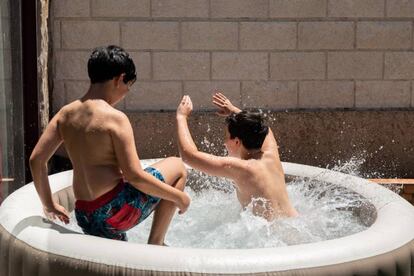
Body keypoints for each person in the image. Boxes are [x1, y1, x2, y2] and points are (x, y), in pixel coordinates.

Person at [29, 45, 190, 244]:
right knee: (177, 166)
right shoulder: (115, 119)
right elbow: (134, 176)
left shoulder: (65, 114)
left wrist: (50, 204)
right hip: (116, 211)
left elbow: (36, 160)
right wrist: (179, 197)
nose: (124, 94)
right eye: (127, 87)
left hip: (86, 216)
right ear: (119, 78)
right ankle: (156, 243)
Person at [176, 92, 297, 220]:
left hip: (272, 236)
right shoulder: (271, 154)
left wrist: (181, 117)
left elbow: (189, 156)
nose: (224, 142)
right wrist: (233, 111)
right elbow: (263, 129)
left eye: (226, 137)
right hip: (294, 223)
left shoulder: (244, 168)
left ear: (237, 142)